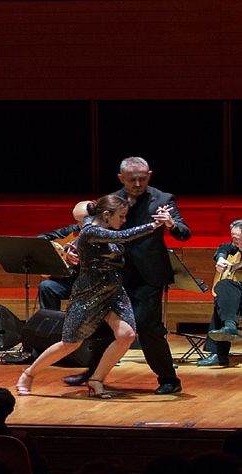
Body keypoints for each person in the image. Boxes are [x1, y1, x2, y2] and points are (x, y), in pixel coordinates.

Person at [16, 195, 169, 398]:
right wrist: (153, 226)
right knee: (70, 343)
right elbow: (121, 236)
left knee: (127, 335)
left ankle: (96, 379)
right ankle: (28, 374)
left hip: (114, 291)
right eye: (121, 216)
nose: (123, 220)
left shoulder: (99, 228)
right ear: (106, 214)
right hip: (89, 293)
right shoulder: (90, 231)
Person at [63, 157, 191, 394]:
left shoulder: (163, 199)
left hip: (148, 275)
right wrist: (74, 248)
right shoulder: (112, 200)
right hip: (113, 273)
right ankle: (93, 374)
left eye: (142, 178)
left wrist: (171, 224)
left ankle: (168, 379)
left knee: (146, 326)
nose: (138, 183)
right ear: (121, 178)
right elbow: (89, 227)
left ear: (149, 174)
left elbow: (184, 233)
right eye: (132, 179)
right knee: (102, 326)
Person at [200, 219, 242, 366]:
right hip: (237, 296)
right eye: (233, 237)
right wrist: (221, 259)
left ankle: (219, 352)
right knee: (223, 289)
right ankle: (229, 328)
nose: (234, 241)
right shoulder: (234, 246)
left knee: (225, 298)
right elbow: (223, 248)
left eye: (237, 238)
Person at [36, 200, 92, 311]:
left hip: (91, 282)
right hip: (72, 280)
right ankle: (51, 322)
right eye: (77, 221)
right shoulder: (75, 229)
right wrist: (59, 250)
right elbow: (40, 238)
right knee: (46, 286)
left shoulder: (103, 232)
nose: (80, 225)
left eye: (83, 221)